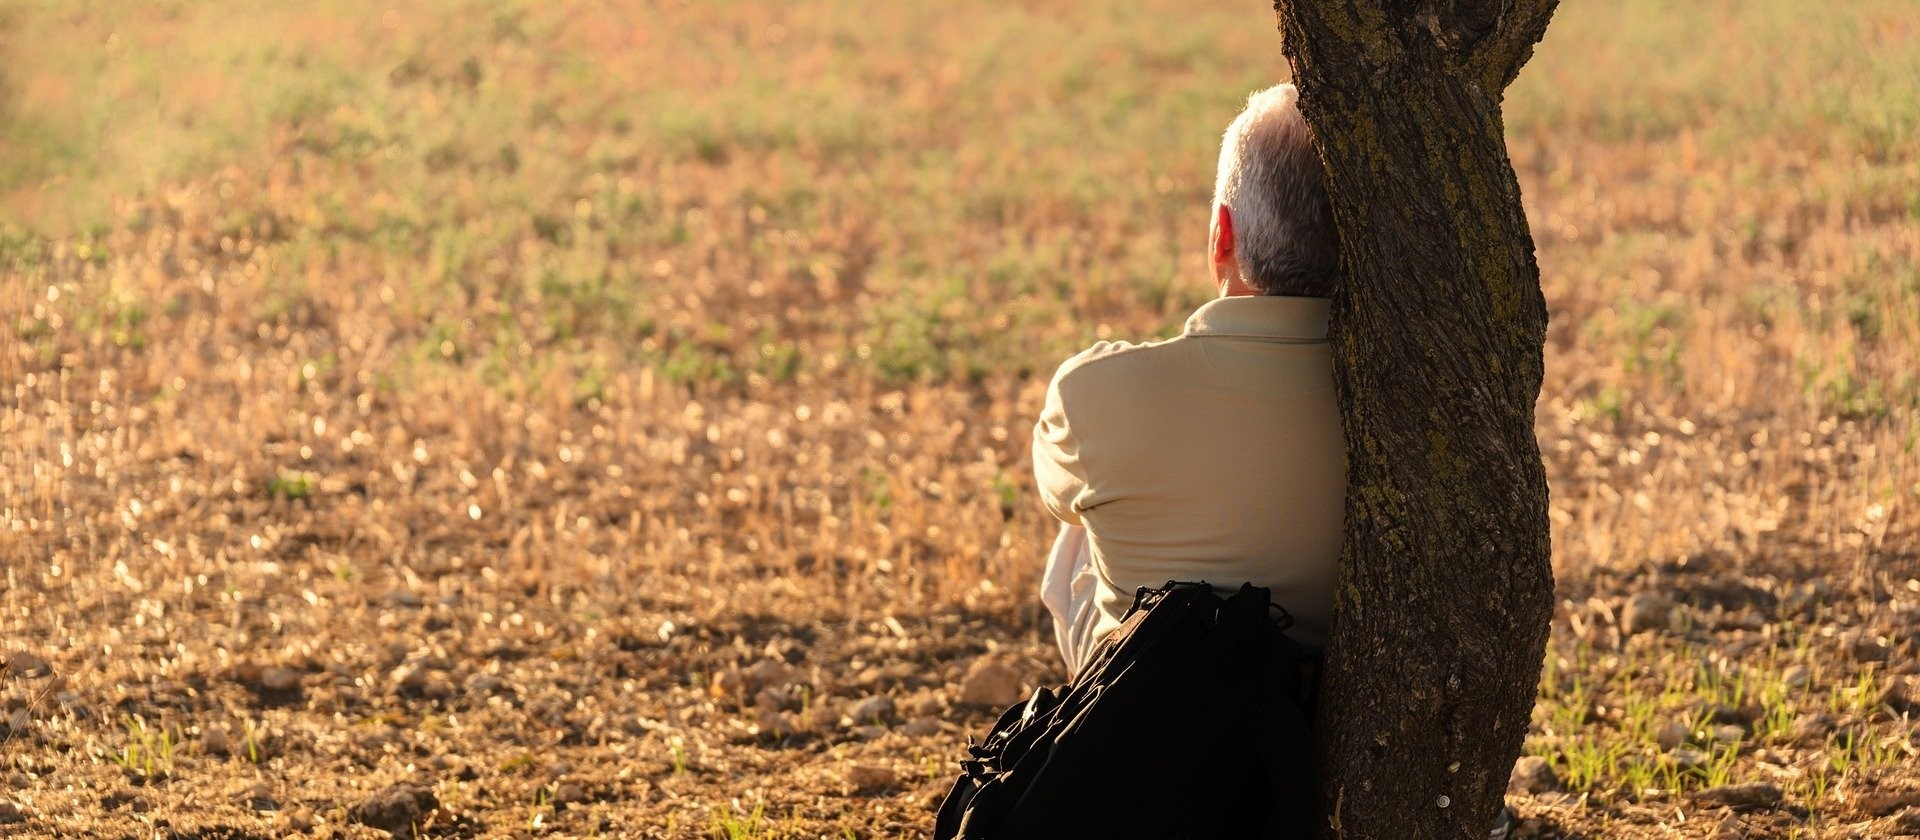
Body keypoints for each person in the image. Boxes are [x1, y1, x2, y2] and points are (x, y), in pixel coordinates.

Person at [1030, 84, 1515, 840]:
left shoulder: (1097, 390)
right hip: (1337, 727)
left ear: (1221, 233)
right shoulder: (1422, 411)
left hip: (1162, 731)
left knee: (1078, 532)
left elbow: (1056, 501)